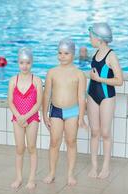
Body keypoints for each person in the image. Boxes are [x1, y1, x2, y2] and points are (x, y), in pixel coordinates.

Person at [42, 38, 87, 186]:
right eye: (60, 53)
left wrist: (81, 116)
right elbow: (47, 94)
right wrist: (44, 114)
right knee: (54, 142)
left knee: (71, 141)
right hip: (55, 111)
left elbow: (81, 96)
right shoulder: (52, 72)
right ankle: (52, 172)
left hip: (72, 112)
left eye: (66, 53)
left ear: (73, 54)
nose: (62, 56)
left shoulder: (79, 74)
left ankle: (70, 174)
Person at [87, 23, 123, 179]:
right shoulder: (95, 53)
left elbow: (119, 80)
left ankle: (106, 167)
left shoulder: (111, 56)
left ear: (99, 38)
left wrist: (99, 78)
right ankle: (94, 167)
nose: (90, 39)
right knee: (94, 132)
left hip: (107, 96)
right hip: (92, 94)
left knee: (105, 132)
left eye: (91, 36)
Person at [8, 48, 43, 190]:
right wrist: (18, 116)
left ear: (32, 63)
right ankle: (19, 177)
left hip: (32, 117)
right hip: (17, 117)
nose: (24, 66)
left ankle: (32, 178)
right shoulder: (13, 80)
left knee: (32, 147)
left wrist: (26, 117)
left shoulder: (37, 80)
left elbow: (38, 102)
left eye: (27, 63)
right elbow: (10, 101)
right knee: (19, 148)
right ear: (18, 63)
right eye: (22, 62)